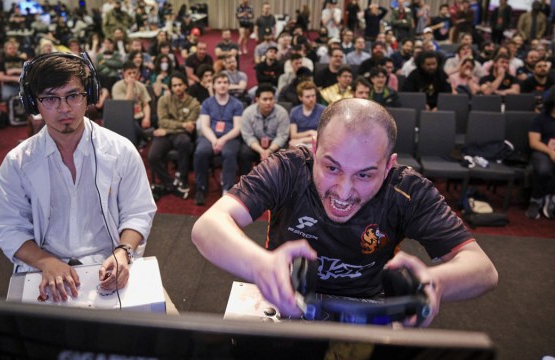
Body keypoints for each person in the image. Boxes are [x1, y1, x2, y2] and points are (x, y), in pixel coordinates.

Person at [191, 98, 498, 325]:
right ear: (314, 148)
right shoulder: (288, 167)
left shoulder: (408, 190)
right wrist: (260, 264)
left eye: (365, 175)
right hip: (285, 298)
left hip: (366, 308)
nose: (343, 191)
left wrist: (436, 281)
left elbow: (483, 269)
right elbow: (208, 226)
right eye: (331, 167)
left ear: (389, 166)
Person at [0, 53, 157, 303]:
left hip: (110, 262)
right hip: (42, 267)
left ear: (88, 95)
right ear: (33, 103)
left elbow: (139, 212)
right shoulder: (17, 163)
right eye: (50, 98)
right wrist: (45, 261)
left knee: (168, 330)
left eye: (73, 95)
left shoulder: (121, 151)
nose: (65, 108)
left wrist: (123, 252)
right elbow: (9, 227)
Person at [193, 73, 243, 205]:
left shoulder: (237, 104)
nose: (222, 85)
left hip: (229, 136)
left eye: (225, 82)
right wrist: (215, 140)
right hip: (210, 136)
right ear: (214, 85)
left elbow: (237, 128)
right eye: (219, 82)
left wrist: (223, 140)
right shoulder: (207, 103)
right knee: (201, 152)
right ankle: (201, 187)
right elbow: (205, 126)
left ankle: (227, 190)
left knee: (229, 153)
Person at [148, 72, 199, 201]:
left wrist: (167, 129)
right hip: (166, 135)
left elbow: (190, 127)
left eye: (180, 85)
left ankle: (182, 177)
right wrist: (182, 124)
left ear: (185, 86)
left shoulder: (194, 104)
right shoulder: (164, 100)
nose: (177, 88)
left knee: (185, 141)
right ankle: (171, 185)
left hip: (179, 135)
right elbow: (162, 122)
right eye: (174, 85)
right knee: (152, 156)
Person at [239, 83, 290, 176]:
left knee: (285, 152)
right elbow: (248, 136)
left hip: (274, 144)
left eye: (271, 99)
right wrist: (261, 151)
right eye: (265, 99)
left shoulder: (282, 113)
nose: (268, 102)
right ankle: (246, 184)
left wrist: (269, 150)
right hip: (255, 144)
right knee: (244, 152)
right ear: (257, 100)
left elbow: (282, 136)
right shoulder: (248, 113)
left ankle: (281, 184)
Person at [526, 89, 555, 219]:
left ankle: (550, 198)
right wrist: (551, 152)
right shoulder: (540, 119)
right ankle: (536, 200)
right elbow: (534, 142)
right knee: (543, 169)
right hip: (542, 151)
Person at [111, 61, 152, 146]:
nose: (132, 75)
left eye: (134, 73)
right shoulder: (117, 87)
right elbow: (125, 106)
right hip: (125, 116)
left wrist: (146, 118)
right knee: (132, 123)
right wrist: (130, 85)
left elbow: (146, 104)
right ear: (123, 74)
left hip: (140, 115)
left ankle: (143, 136)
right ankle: (144, 136)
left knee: (155, 118)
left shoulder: (141, 86)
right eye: (129, 73)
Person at [289, 81, 325, 148]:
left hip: (317, 144)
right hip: (299, 145)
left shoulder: (323, 110)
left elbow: (323, 135)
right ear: (300, 97)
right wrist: (310, 132)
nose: (311, 99)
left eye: (313, 96)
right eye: (307, 97)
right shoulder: (294, 111)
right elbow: (293, 135)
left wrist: (302, 139)